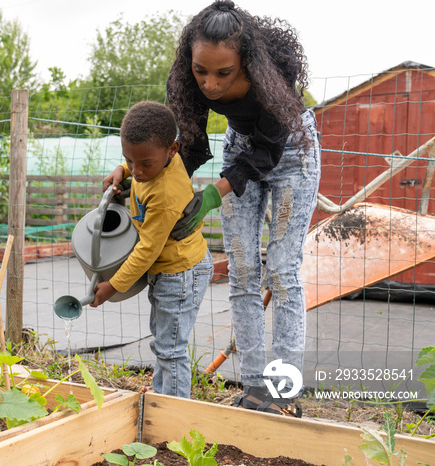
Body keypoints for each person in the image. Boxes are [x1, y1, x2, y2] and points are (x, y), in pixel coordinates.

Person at [167, 0, 321, 416]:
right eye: (201, 71)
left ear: (247, 64)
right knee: (242, 269)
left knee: (283, 269)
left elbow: (267, 153)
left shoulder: (273, 85)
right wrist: (139, 173)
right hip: (238, 150)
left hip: (290, 150)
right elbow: (193, 149)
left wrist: (214, 194)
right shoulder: (186, 80)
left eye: (223, 73)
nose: (210, 85)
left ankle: (284, 391)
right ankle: (255, 388)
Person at [91, 101, 222, 399]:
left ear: (172, 150)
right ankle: (164, 398)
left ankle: (174, 414)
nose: (136, 172)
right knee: (165, 341)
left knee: (170, 348)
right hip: (170, 271)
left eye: (144, 164)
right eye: (129, 160)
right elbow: (136, 163)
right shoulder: (154, 162)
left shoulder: (165, 193)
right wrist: (120, 170)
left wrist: (114, 286)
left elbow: (147, 250)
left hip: (181, 273)